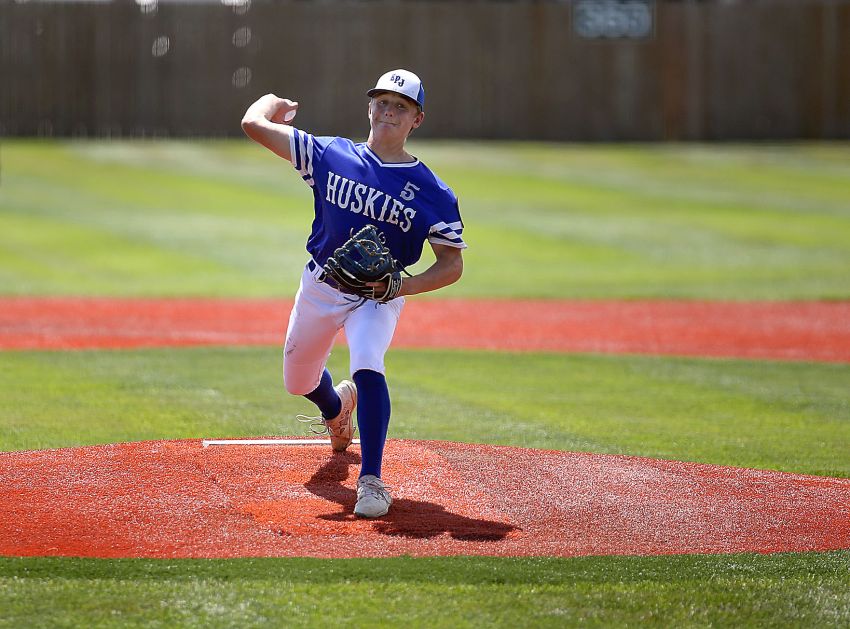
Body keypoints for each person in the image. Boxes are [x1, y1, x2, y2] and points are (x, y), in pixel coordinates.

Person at [241, 69, 466, 518]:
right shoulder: (329, 154)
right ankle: (336, 406)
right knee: (297, 381)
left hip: (377, 296)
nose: (388, 111)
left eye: (400, 106)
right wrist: (272, 101)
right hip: (321, 286)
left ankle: (373, 480)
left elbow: (451, 264)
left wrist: (402, 285)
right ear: (369, 107)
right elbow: (253, 125)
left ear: (417, 119)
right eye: (382, 102)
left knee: (368, 361)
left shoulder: (433, 192)